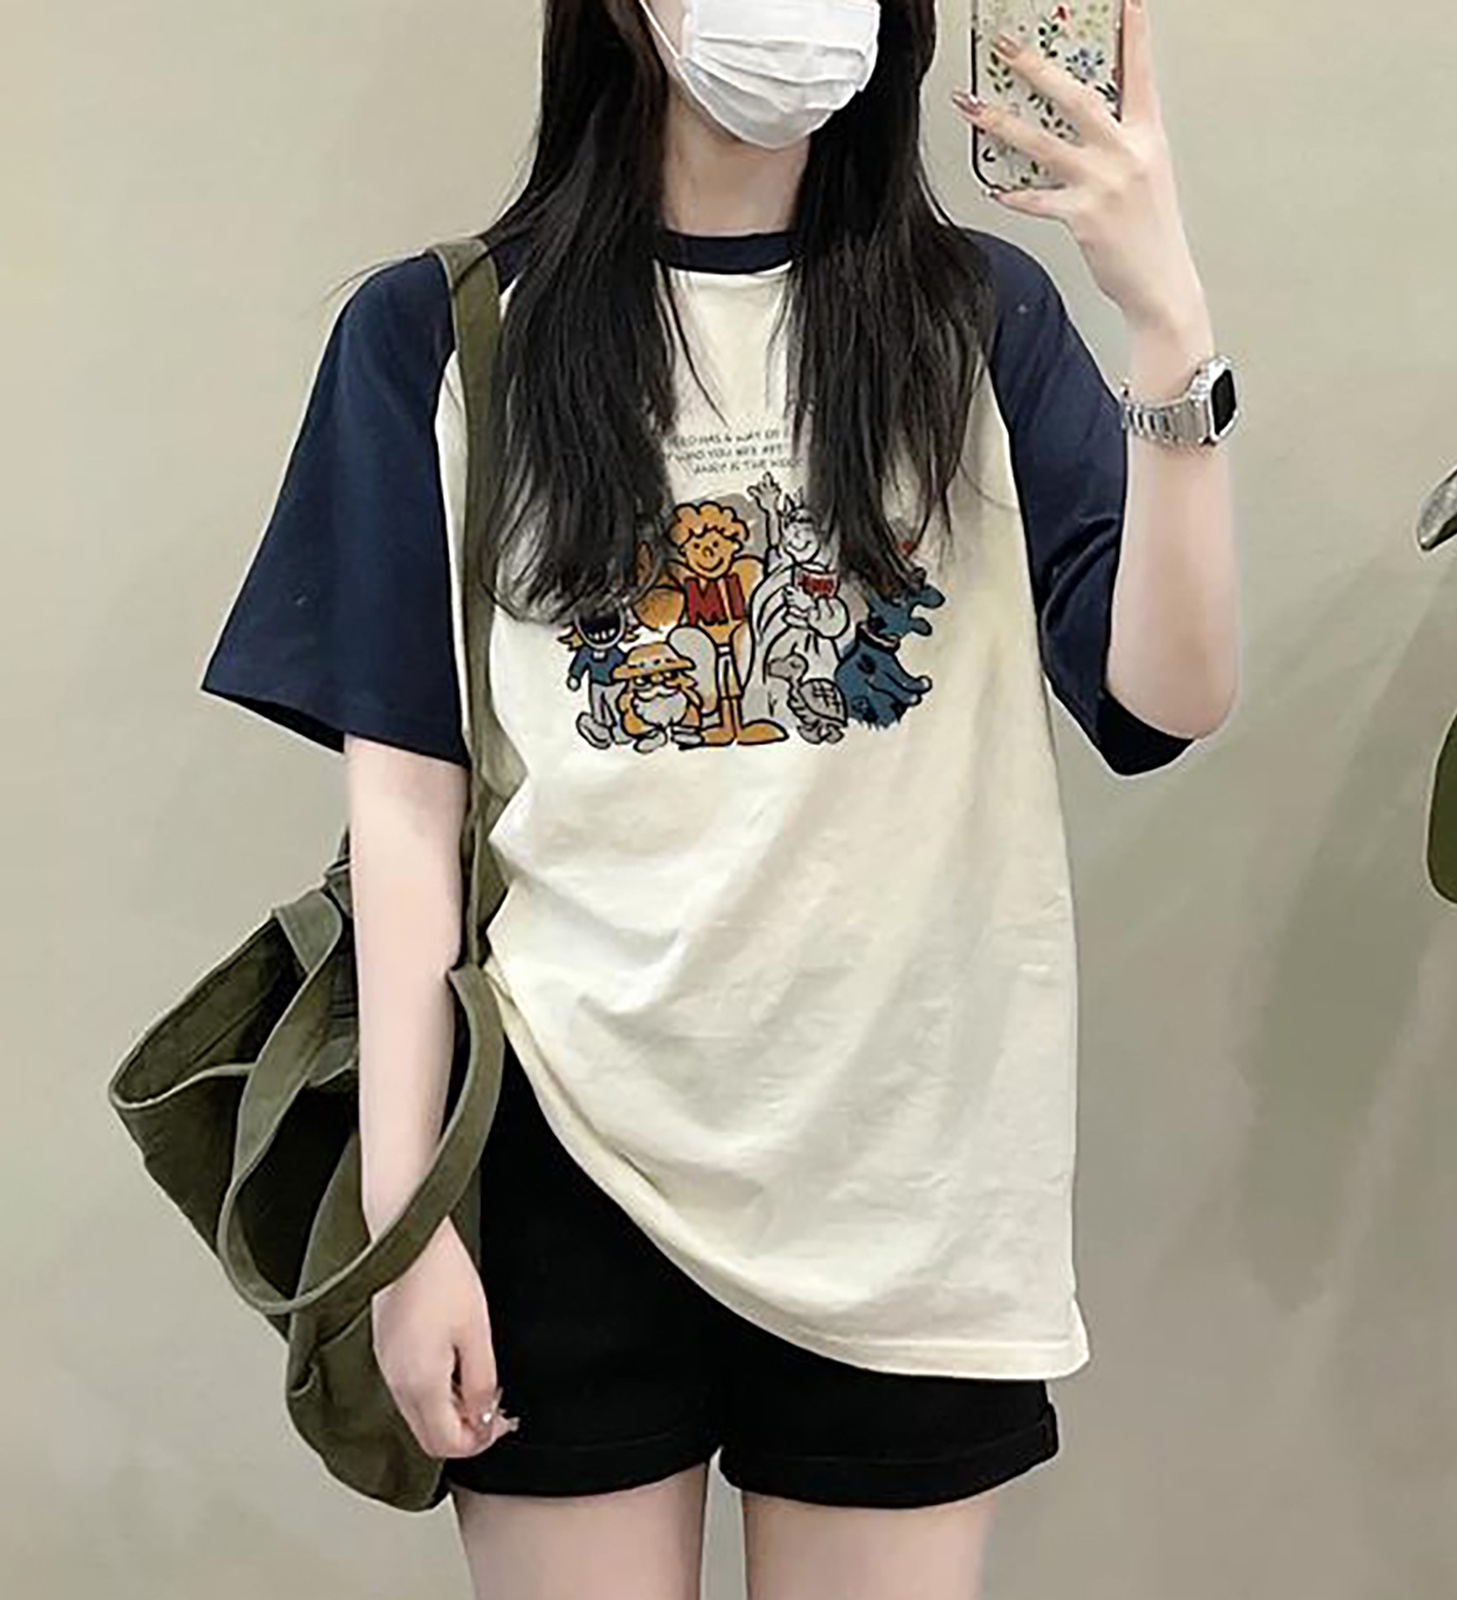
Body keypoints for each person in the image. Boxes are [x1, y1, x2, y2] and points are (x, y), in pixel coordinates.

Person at [198, 0, 1239, 1594]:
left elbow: (1168, 699)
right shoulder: (442, 333)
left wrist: (1166, 323)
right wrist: (406, 1228)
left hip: (907, 1172)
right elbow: (407, 814)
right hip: (563, 1155)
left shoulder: (978, 318)